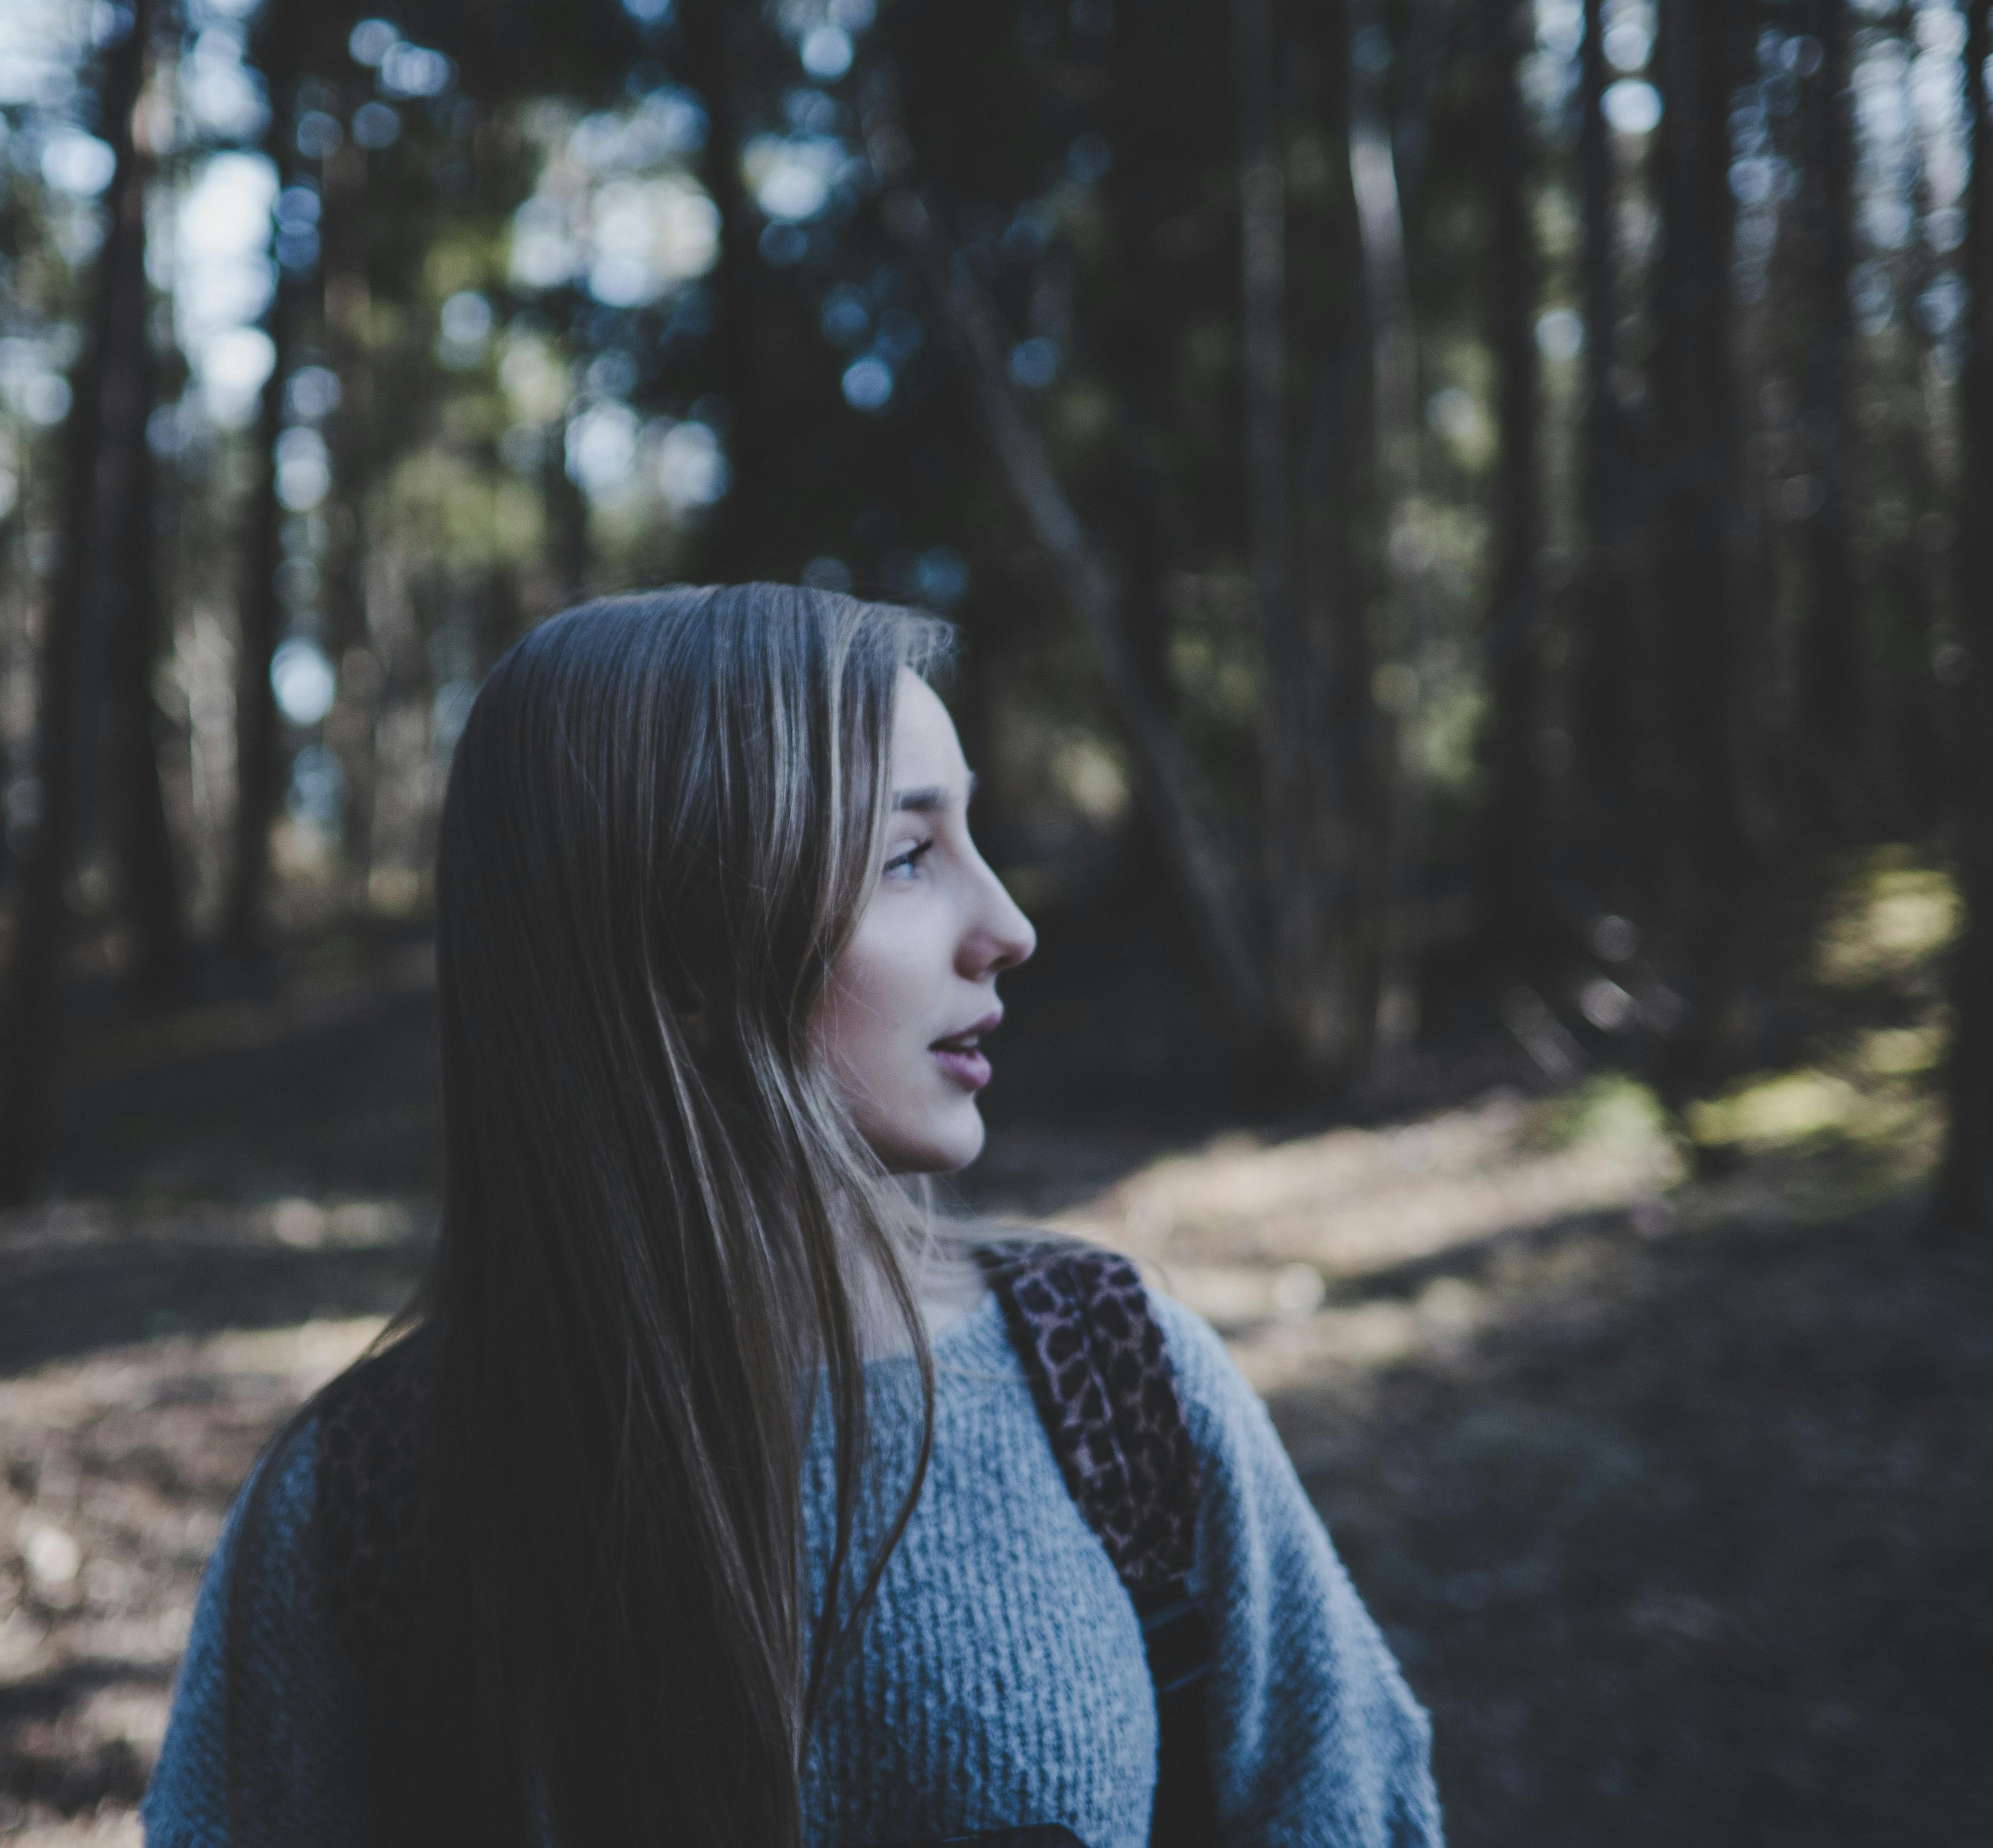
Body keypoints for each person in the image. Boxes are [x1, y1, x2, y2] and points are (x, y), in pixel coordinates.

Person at [142, 584, 1442, 1847]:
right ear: (687, 960)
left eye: (970, 842)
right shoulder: (364, 1509)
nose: (1009, 925)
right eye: (909, 856)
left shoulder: (1112, 1381)